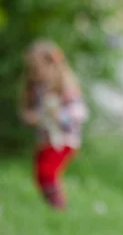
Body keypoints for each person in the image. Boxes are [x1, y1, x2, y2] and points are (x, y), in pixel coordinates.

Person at [19, 39, 88, 210]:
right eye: (32, 70)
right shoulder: (38, 87)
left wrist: (60, 116)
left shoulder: (65, 86)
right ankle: (50, 205)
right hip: (46, 139)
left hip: (64, 139)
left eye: (37, 69)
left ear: (52, 65)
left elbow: (80, 112)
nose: (34, 74)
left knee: (47, 172)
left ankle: (59, 207)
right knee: (39, 175)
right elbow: (34, 112)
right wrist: (31, 117)